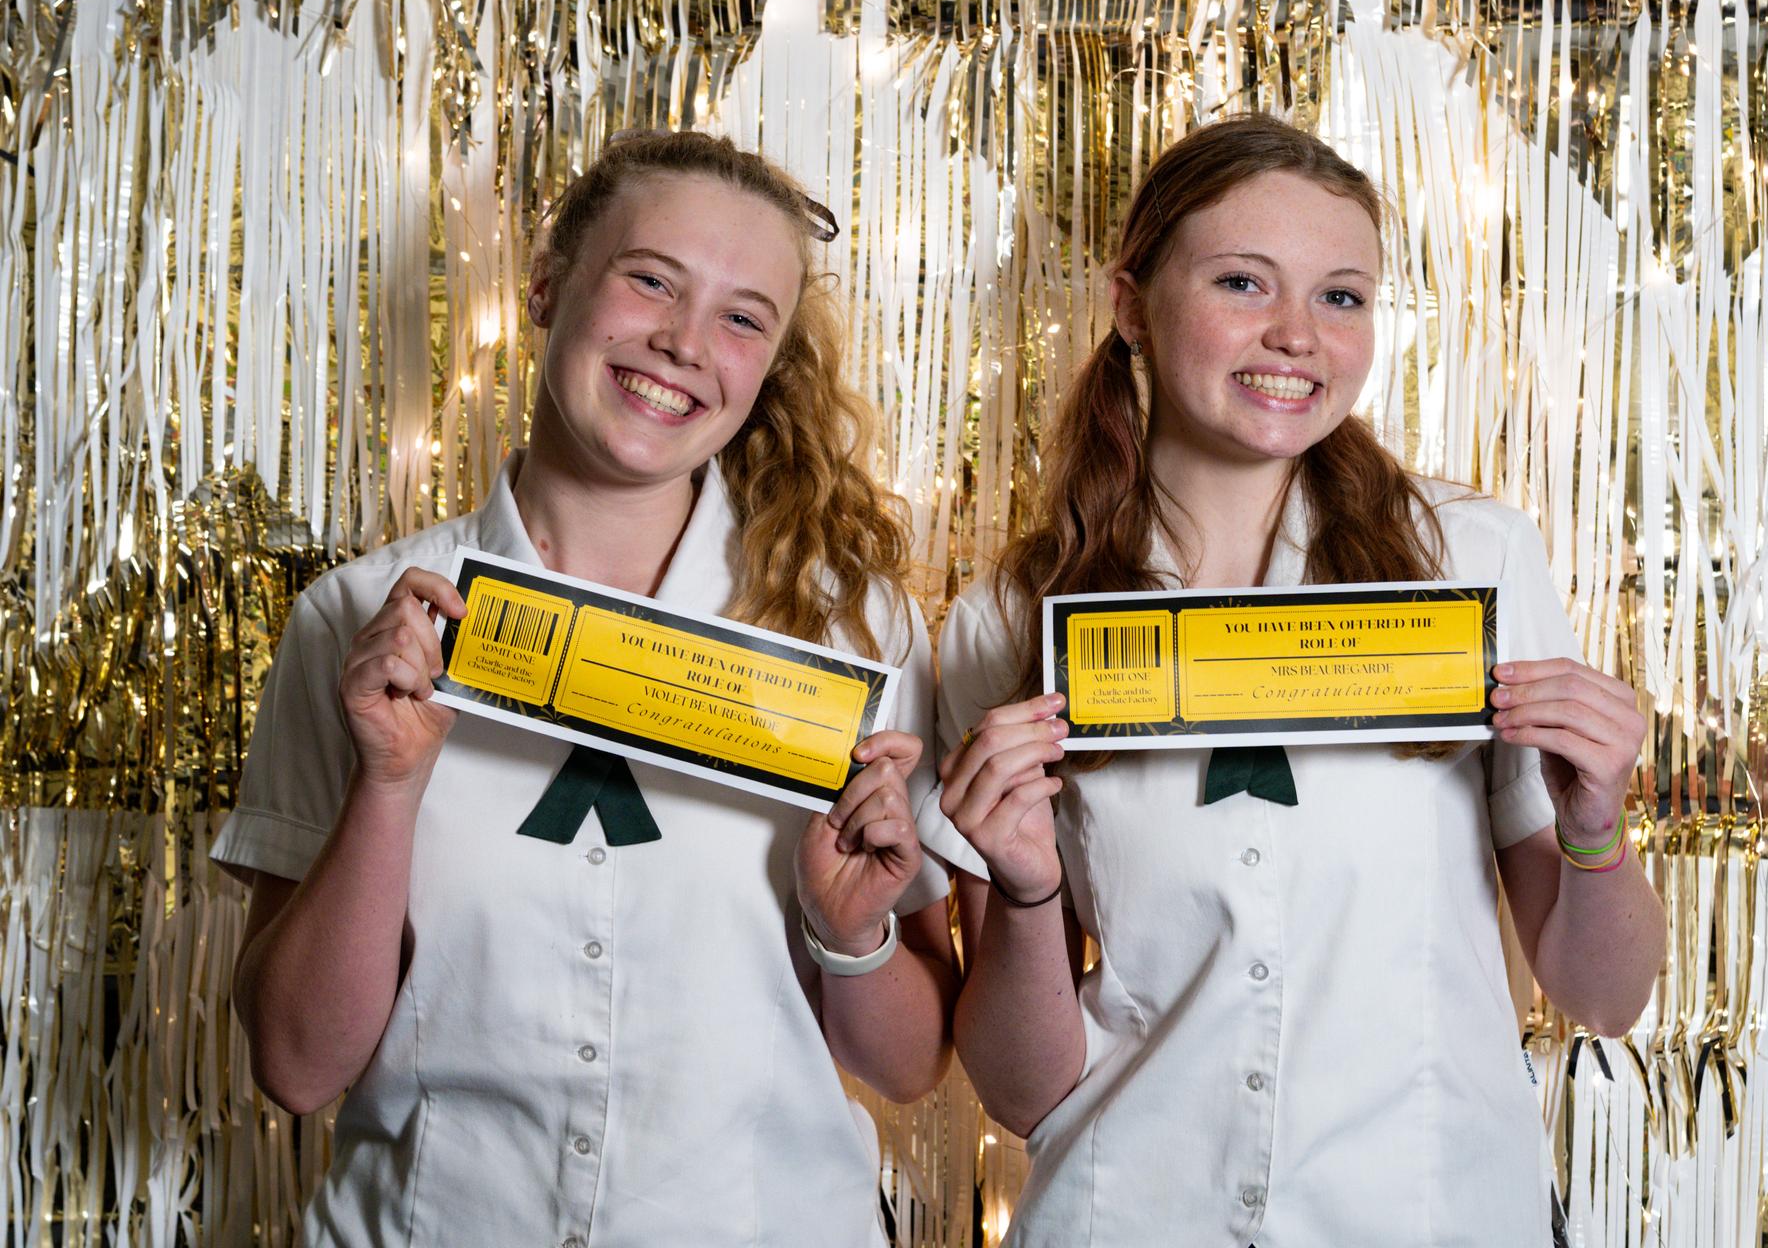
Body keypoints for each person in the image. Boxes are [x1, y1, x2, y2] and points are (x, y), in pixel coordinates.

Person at [921, 114, 1664, 1244]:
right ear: (1131, 304)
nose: (1297, 336)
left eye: (1341, 297)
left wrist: (1597, 827)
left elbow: (1604, 997)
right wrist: (1024, 891)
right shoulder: (1007, 622)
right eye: (1242, 282)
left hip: (1428, 1212)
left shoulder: (1471, 559)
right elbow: (1023, 1094)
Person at [215, 130, 956, 1247]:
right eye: (651, 279)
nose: (684, 343)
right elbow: (297, 1067)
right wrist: (387, 789)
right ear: (548, 283)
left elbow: (906, 1066)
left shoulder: (855, 631)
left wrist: (850, 930)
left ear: (768, 364)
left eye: (742, 318)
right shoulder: (355, 620)